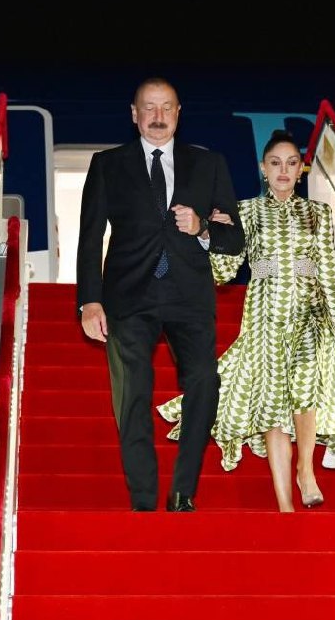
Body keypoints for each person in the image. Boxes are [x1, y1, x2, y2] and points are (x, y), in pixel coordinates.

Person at [159, 130, 335, 512]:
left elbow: (328, 270)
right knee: (272, 404)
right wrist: (211, 234)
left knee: (306, 391)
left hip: (309, 311)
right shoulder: (246, 210)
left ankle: (305, 471)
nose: (283, 170)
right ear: (264, 168)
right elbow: (225, 272)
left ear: (301, 168)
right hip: (264, 315)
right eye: (276, 163)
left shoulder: (318, 213)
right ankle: (285, 505)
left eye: (291, 163)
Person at [76, 77, 245, 512]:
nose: (157, 116)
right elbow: (90, 237)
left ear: (178, 113)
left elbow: (234, 240)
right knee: (133, 393)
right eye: (148, 107)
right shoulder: (107, 164)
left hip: (189, 296)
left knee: (205, 383)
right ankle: (144, 498)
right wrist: (89, 300)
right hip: (128, 296)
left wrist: (202, 227)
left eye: (166, 107)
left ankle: (183, 490)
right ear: (134, 114)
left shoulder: (208, 164)